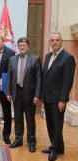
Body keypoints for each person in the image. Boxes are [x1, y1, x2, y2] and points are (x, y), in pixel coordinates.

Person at [41, 32, 76, 161]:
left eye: (57, 40)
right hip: (47, 97)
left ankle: (54, 150)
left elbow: (68, 82)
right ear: (49, 42)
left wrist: (63, 99)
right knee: (50, 125)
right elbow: (46, 76)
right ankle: (57, 147)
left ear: (62, 42)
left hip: (58, 100)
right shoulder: (48, 56)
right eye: (52, 40)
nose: (54, 42)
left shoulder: (68, 58)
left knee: (57, 125)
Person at [6, 37, 42, 152]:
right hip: (16, 92)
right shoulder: (12, 59)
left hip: (30, 94)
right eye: (20, 45)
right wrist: (8, 92)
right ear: (18, 46)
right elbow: (9, 78)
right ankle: (18, 139)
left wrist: (37, 95)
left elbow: (38, 78)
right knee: (18, 118)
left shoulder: (35, 59)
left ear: (28, 46)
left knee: (30, 119)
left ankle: (31, 142)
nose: (22, 47)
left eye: (24, 45)